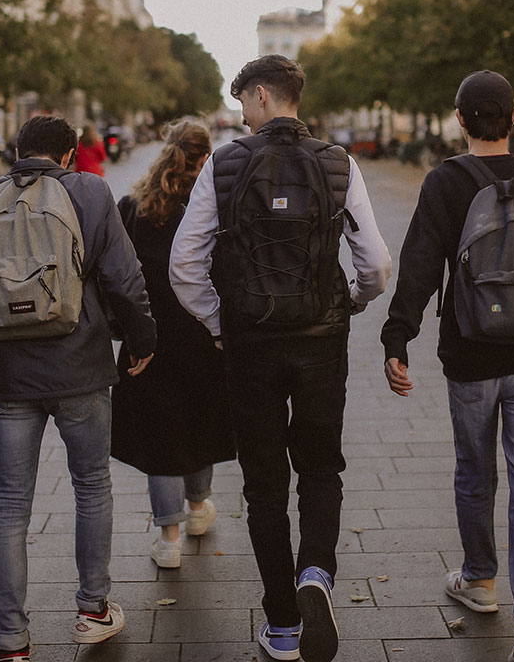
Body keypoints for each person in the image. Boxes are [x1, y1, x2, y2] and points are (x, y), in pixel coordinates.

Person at [171, 54, 392, 662]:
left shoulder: (223, 164)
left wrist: (222, 323)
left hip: (251, 345)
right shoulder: (338, 163)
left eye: (243, 100)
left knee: (264, 483)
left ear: (263, 95)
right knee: (322, 466)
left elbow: (184, 266)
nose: (241, 114)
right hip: (322, 339)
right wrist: (351, 301)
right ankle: (315, 573)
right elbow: (374, 261)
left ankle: (283, 625)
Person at [0, 114, 155, 658]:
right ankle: (92, 611)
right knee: (91, 485)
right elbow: (123, 278)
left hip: (10, 381)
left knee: (8, 505)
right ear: (70, 155)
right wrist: (142, 338)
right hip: (82, 369)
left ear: (16, 152)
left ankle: (11, 642)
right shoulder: (91, 192)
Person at [381, 70, 514, 662]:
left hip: (470, 356)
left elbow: (419, 264)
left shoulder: (446, 182)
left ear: (461, 120)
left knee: (475, 474)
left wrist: (399, 338)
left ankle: (479, 580)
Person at [110, 119, 237, 569]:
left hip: (147, 338)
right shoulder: (211, 208)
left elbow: (117, 277)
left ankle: (169, 539)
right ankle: (199, 509)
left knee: (161, 437)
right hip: (201, 335)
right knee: (198, 421)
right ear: (204, 159)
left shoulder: (132, 207)